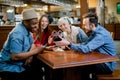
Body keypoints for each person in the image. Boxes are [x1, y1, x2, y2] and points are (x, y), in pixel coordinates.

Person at [54, 13, 117, 80]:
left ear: (92, 25)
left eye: (84, 25)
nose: (83, 26)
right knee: (76, 65)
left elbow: (86, 48)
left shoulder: (100, 35)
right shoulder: (95, 31)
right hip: (99, 59)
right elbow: (85, 44)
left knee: (79, 66)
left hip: (107, 65)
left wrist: (69, 44)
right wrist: (67, 44)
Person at [0, 8, 45, 80]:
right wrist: (36, 51)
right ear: (25, 22)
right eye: (34, 23)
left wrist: (30, 55)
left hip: (21, 64)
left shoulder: (27, 30)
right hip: (8, 67)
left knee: (39, 71)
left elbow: (32, 44)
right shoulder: (17, 34)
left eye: (37, 23)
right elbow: (14, 56)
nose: (37, 26)